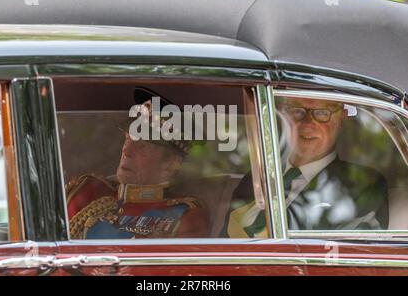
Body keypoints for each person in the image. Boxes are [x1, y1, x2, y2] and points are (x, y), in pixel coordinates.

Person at [223, 97, 388, 238]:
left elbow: (339, 257)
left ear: (341, 118)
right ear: (282, 114)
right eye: (296, 110)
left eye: (322, 112)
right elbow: (222, 246)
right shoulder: (255, 178)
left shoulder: (363, 185)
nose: (308, 123)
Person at [67, 88, 209, 239]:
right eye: (128, 139)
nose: (126, 151)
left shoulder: (183, 217)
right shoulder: (85, 189)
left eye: (143, 146)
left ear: (170, 163)